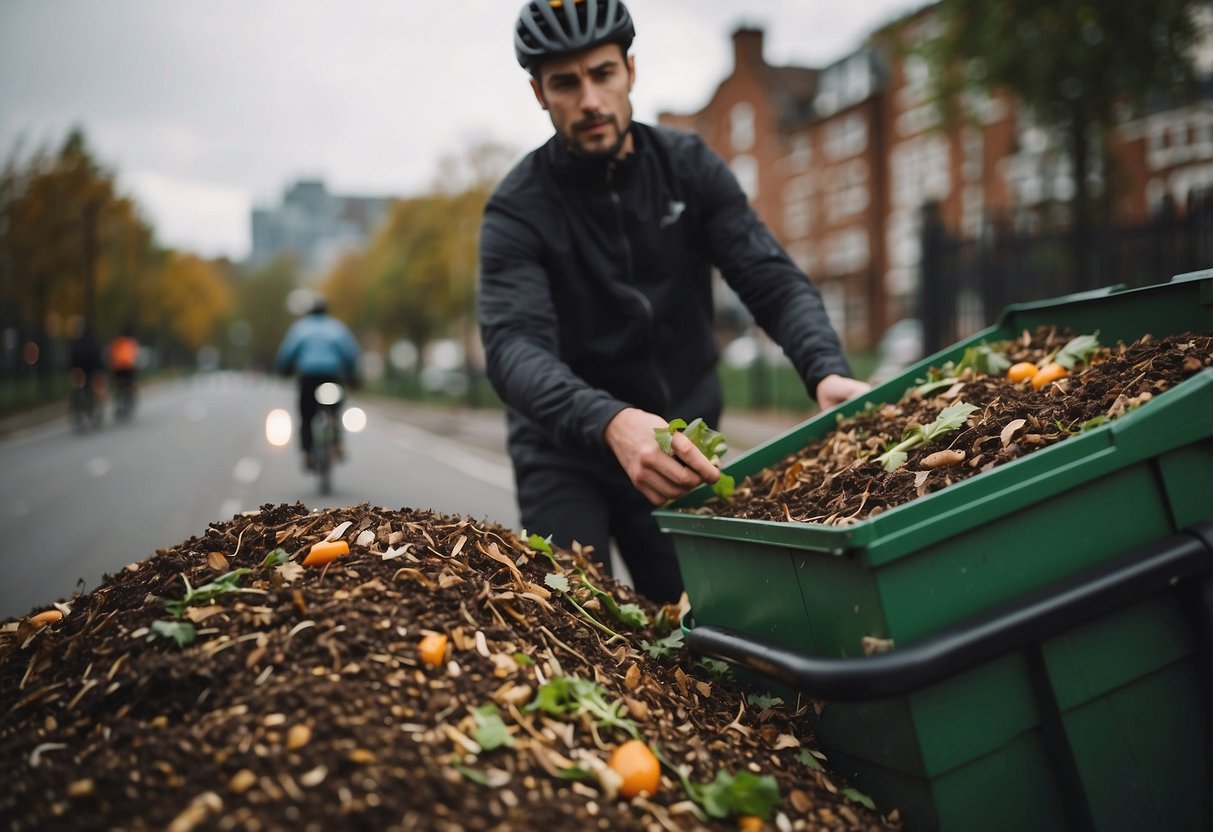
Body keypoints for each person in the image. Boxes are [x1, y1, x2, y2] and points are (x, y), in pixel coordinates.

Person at [477, 0, 871, 603]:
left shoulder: (689, 169)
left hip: (678, 439)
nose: (589, 100)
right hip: (565, 452)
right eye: (565, 83)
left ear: (630, 71)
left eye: (602, 74)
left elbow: (769, 276)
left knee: (702, 634)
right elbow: (513, 348)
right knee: (581, 624)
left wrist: (826, 369)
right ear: (539, 93)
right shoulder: (517, 209)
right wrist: (610, 420)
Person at [275, 296, 360, 469]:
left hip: (309, 378)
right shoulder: (337, 328)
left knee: (306, 416)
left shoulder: (300, 328)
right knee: (335, 410)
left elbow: (287, 352)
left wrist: (284, 369)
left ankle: (307, 453)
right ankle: (336, 444)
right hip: (331, 377)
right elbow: (350, 353)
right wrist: (353, 376)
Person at [108, 325, 140, 419]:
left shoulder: (117, 342)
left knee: (118, 387)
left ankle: (118, 403)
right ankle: (129, 397)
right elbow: (135, 357)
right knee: (130, 385)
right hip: (129, 368)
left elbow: (112, 354)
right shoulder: (132, 342)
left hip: (118, 368)